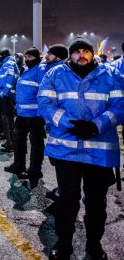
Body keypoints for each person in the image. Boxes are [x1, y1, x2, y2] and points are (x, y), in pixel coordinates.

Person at [37, 37, 124, 259]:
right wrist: (70, 125)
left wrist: (97, 125)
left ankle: (94, 244)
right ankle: (63, 243)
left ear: (92, 53)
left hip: (99, 151)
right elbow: (46, 105)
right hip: (67, 150)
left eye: (86, 51)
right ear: (70, 55)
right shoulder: (54, 74)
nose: (81, 55)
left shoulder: (111, 75)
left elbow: (120, 105)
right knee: (67, 199)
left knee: (96, 202)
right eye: (77, 51)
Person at [4, 47, 46, 183]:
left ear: (37, 57)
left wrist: (41, 112)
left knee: (36, 142)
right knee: (18, 139)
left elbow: (44, 92)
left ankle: (35, 170)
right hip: (22, 113)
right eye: (26, 57)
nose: (27, 59)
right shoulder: (27, 70)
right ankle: (19, 164)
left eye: (30, 57)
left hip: (35, 114)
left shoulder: (40, 70)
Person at [0, 48, 19, 152]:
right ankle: (10, 142)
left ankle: (11, 143)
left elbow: (10, 77)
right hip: (6, 95)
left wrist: (5, 91)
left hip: (7, 96)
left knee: (7, 120)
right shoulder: (8, 63)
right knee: (7, 120)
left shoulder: (8, 63)